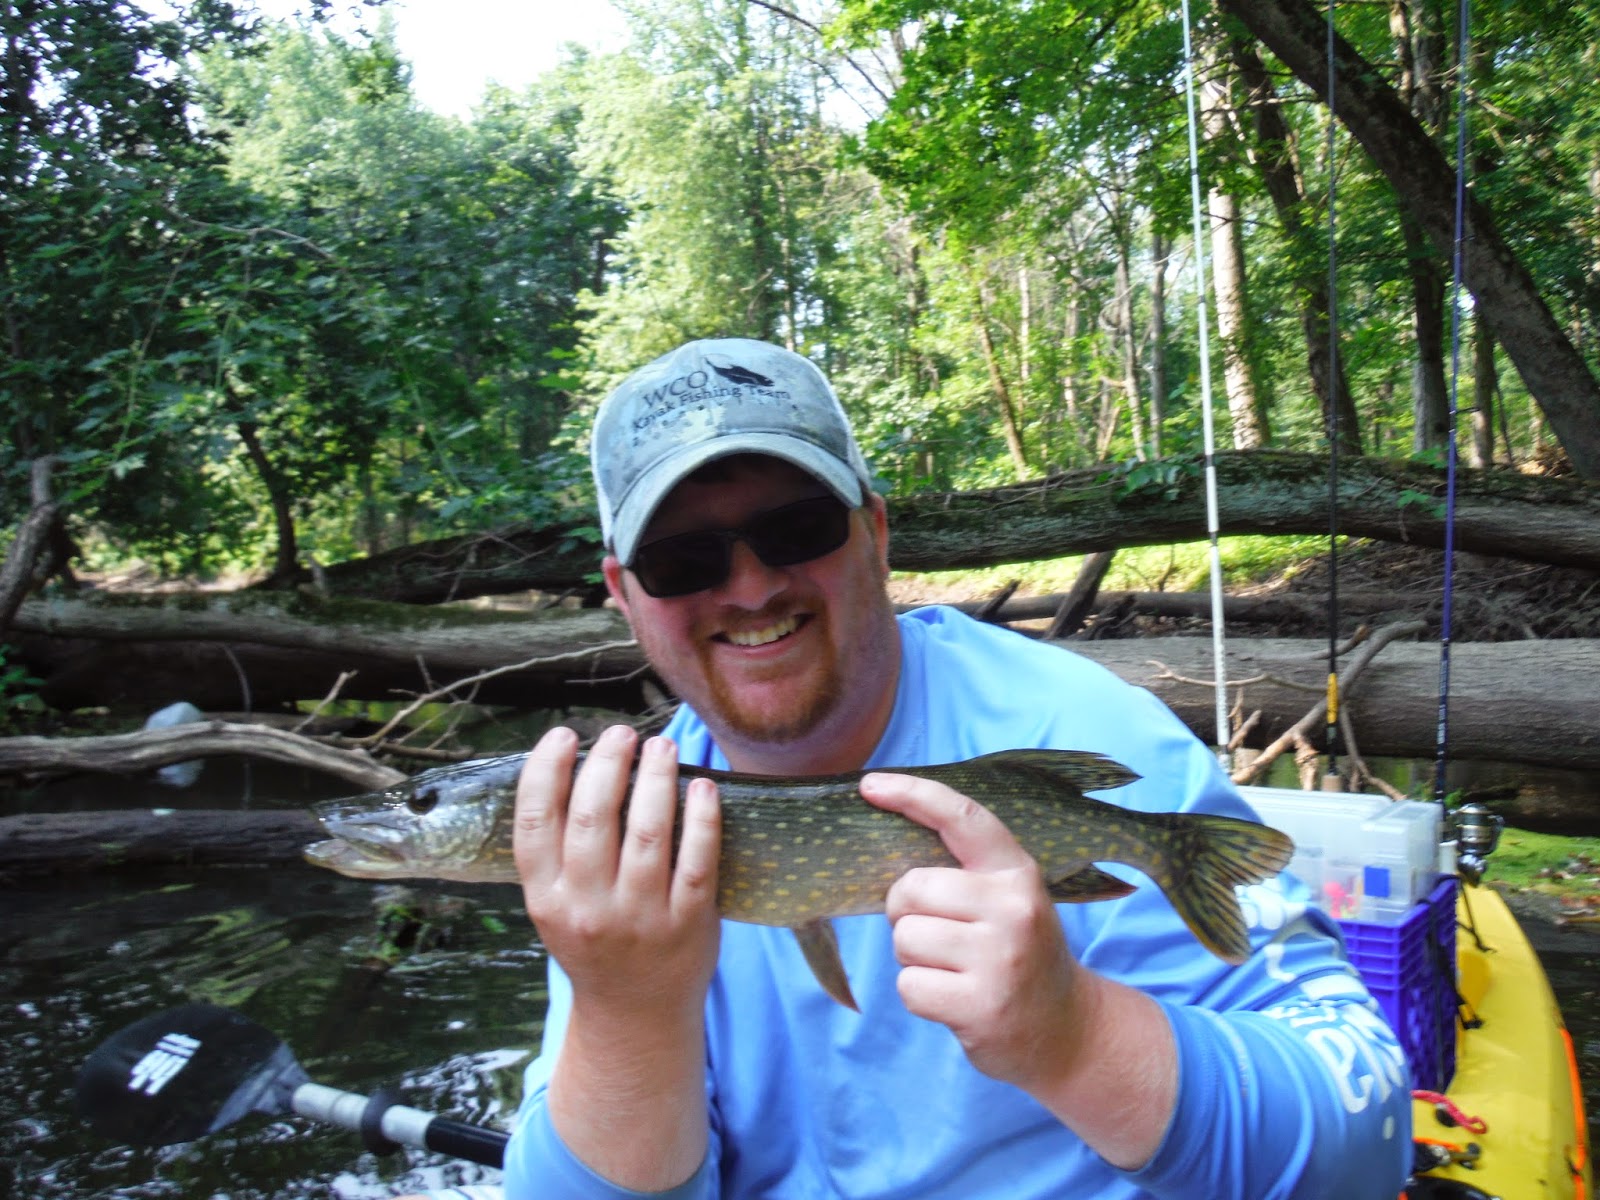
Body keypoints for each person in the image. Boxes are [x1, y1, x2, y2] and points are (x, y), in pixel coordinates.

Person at [410, 337, 1412, 1200]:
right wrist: (628, 1011)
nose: (751, 588)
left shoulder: (1075, 722)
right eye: (683, 561)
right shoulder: (625, 829)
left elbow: (1369, 1131)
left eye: (796, 529)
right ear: (626, 596)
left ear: (875, 535)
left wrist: (1075, 1037)